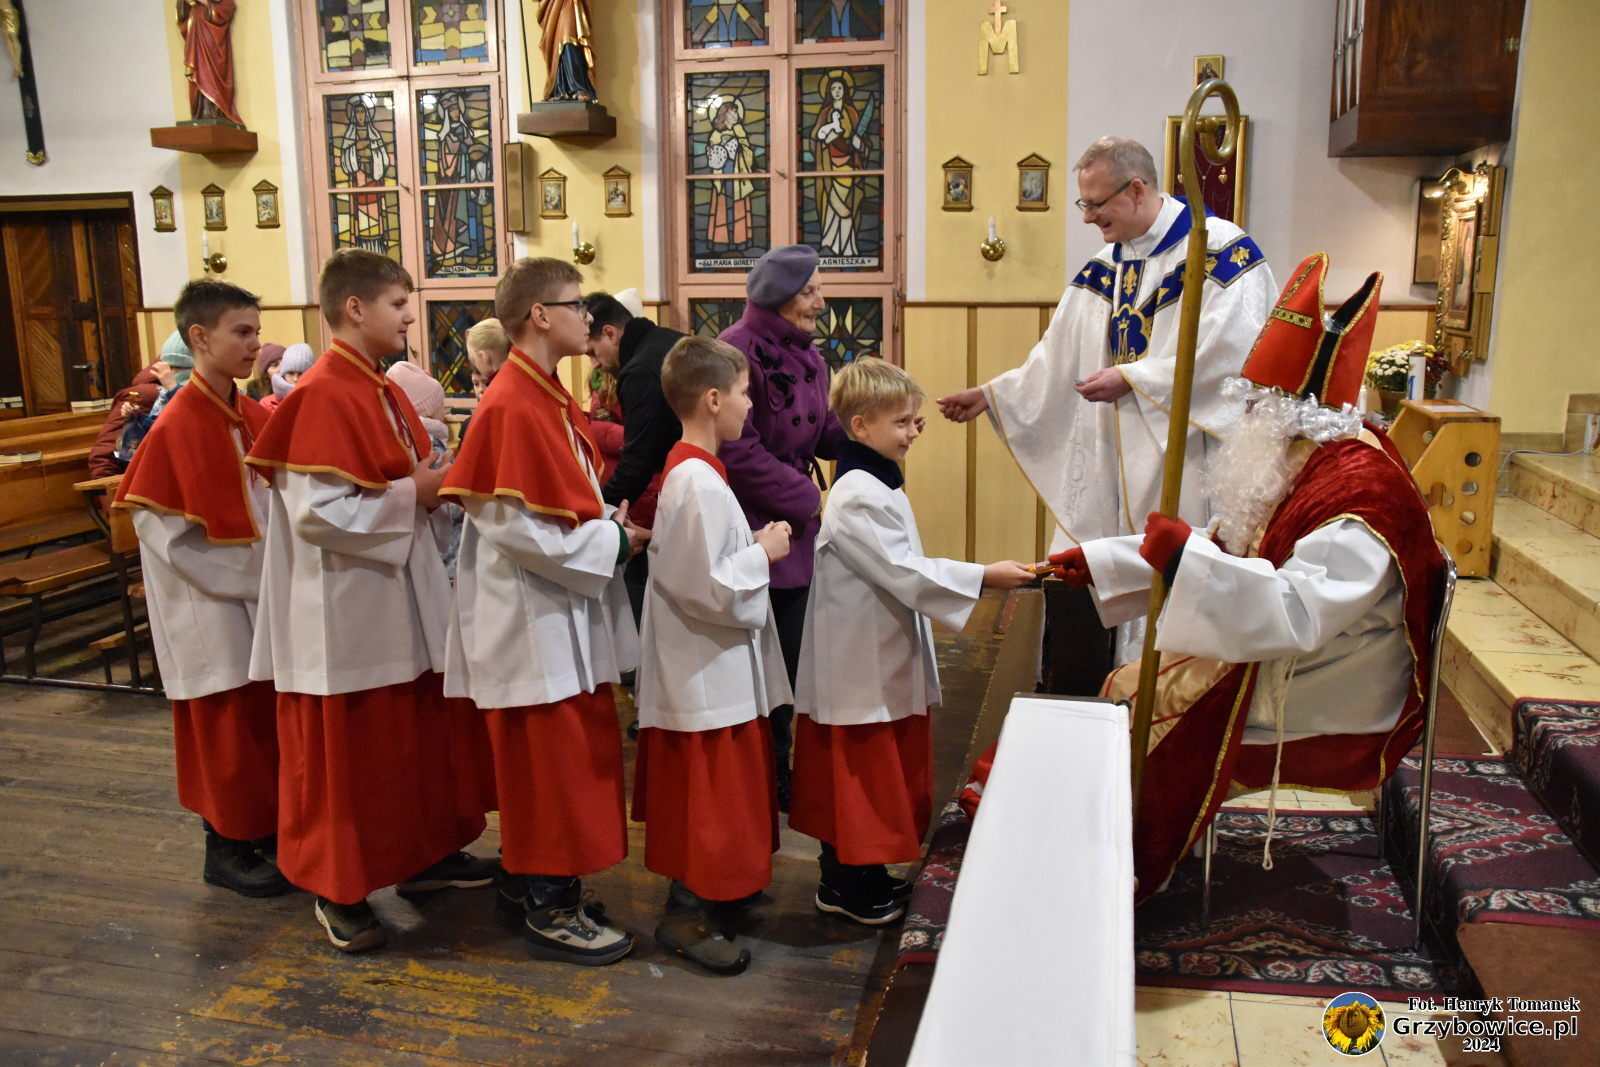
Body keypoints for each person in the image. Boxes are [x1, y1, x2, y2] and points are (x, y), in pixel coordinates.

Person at [1048, 253, 1446, 901]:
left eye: (1256, 405)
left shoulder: (1360, 493)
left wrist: (1182, 556)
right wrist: (1107, 560)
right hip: (1311, 652)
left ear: (1293, 412)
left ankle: (1118, 871)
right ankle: (1105, 844)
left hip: (1337, 676)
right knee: (1133, 685)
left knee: (1145, 704)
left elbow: (1297, 611)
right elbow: (1237, 545)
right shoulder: (1309, 457)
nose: (1246, 423)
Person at [936, 137, 1276, 660]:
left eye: (1097, 204)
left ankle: (1173, 681)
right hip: (1111, 459)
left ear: (1136, 190)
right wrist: (992, 394)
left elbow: (1237, 354)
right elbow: (1057, 353)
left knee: (1176, 582)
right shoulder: (1106, 265)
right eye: (1084, 203)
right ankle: (1118, 678)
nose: (1088, 217)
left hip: (1183, 456)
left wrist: (1136, 379)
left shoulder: (1221, 252)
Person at [245, 249, 495, 953]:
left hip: (395, 593)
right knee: (348, 757)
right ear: (354, 308)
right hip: (343, 610)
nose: (410, 316)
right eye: (398, 304)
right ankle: (339, 889)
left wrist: (430, 488)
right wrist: (414, 492)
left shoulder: (380, 388)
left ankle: (424, 856)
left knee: (409, 741)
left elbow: (405, 480)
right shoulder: (323, 395)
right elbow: (318, 514)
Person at [441, 257, 645, 966]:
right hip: (529, 621)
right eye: (576, 304)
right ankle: (548, 907)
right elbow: (516, 528)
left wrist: (605, 525)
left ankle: (543, 885)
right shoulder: (511, 403)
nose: (588, 317)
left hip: (557, 610)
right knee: (548, 769)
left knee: (566, 763)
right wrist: (613, 540)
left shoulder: (545, 394)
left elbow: (565, 501)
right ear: (539, 315)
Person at [792, 358, 1033, 925]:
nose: (913, 433)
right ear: (860, 427)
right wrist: (984, 576)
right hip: (857, 663)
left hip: (875, 649)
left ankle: (862, 877)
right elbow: (903, 569)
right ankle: (848, 886)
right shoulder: (856, 494)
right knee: (857, 778)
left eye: (915, 421)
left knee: (875, 775)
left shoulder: (874, 480)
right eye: (901, 422)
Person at [112, 278, 287, 899]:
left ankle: (263, 832)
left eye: (257, 331)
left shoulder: (250, 415)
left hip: (255, 592)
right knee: (224, 728)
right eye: (241, 332)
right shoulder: (176, 427)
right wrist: (255, 577)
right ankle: (226, 846)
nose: (255, 344)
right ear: (199, 337)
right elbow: (167, 535)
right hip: (207, 603)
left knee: (261, 723)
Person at [634, 336, 793, 975]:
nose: (750, 406)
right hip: (701, 668)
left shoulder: (699, 473)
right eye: (744, 393)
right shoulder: (696, 479)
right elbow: (704, 585)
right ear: (712, 399)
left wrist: (749, 542)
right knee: (705, 795)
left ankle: (716, 893)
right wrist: (765, 552)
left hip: (710, 662)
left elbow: (700, 562)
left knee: (720, 792)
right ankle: (686, 914)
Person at [718, 244, 845, 809]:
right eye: (811, 291)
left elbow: (821, 428)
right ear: (781, 296)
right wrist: (807, 497)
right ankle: (763, 775)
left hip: (797, 527)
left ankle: (781, 769)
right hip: (754, 525)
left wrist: (874, 431)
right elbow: (737, 450)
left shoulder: (808, 354)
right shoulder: (736, 350)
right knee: (762, 662)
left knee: (792, 660)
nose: (821, 302)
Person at [583, 290, 684, 627]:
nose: (595, 363)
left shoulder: (639, 369)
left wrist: (600, 510)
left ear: (610, 333)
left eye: (593, 352)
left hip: (678, 485)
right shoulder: (669, 339)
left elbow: (639, 457)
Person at [176, 0, 243, 125]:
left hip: (211, 35)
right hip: (195, 30)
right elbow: (182, 14)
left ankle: (216, 111)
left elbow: (227, 7)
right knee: (198, 70)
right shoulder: (194, 11)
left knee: (210, 71)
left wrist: (205, 2)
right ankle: (200, 113)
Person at [536, 0, 598, 102]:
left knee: (570, 39)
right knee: (557, 46)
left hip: (573, 4)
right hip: (553, 6)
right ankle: (558, 89)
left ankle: (578, 87)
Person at [259, 343, 313, 414]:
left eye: (301, 373)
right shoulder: (267, 404)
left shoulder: (317, 399)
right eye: (291, 373)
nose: (295, 379)